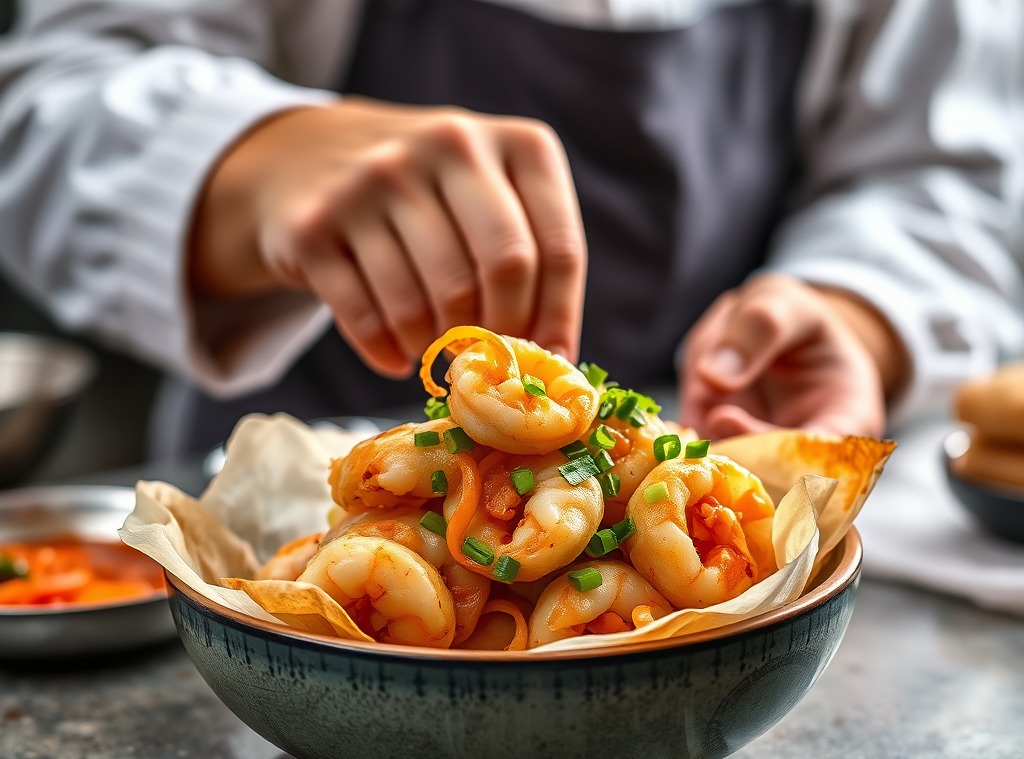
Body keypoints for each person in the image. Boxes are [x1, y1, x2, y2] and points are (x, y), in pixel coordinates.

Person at [0, 0, 1020, 459]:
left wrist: (855, 312)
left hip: (697, 514)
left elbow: (948, 167)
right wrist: (250, 157)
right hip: (279, 540)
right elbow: (51, 108)